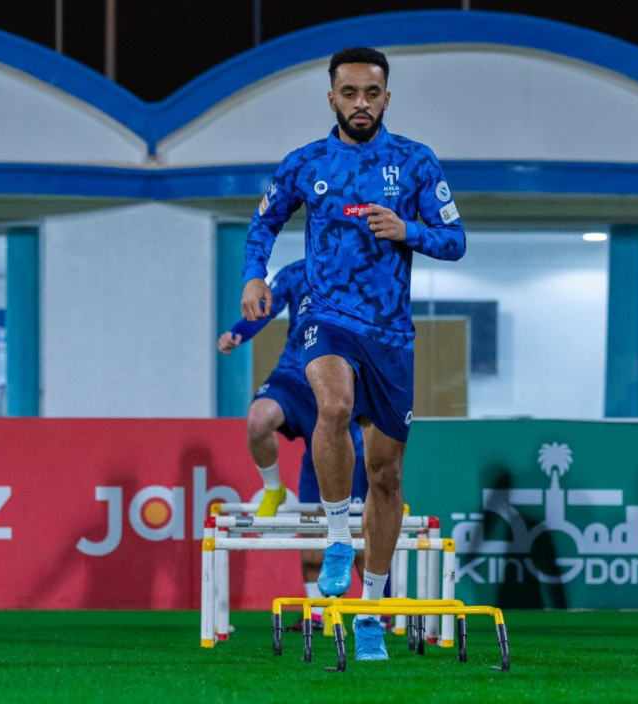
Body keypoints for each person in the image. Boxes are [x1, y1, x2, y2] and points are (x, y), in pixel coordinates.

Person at [240, 47, 466, 660]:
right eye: (349, 93)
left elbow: (455, 239)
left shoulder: (416, 162)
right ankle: (339, 535)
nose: (360, 103)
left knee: (387, 476)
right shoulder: (306, 162)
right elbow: (263, 223)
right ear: (331, 97)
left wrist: (408, 230)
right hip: (326, 319)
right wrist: (254, 276)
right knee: (332, 406)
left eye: (372, 93)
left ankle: (369, 608)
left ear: (387, 97)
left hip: (391, 334)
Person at [217, 258, 369, 631]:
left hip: (341, 385)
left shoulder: (364, 271)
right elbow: (264, 307)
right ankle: (316, 614)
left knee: (357, 524)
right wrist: (238, 332)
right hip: (295, 378)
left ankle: (373, 610)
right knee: (258, 420)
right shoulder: (297, 272)